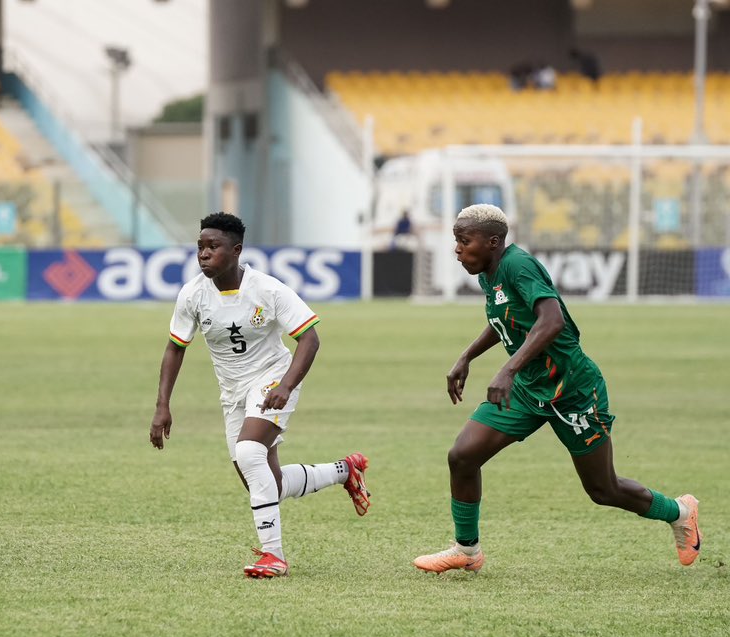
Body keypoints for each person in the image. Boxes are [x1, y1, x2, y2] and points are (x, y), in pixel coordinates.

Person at [413, 204, 700, 574]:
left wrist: (507, 369)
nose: (457, 249)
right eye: (456, 241)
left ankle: (680, 512)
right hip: (529, 389)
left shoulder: (519, 265)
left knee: (603, 490)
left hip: (573, 390)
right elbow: (506, 318)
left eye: (464, 241)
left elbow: (552, 320)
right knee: (463, 456)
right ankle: (467, 551)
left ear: (493, 241)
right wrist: (466, 356)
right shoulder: (490, 271)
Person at [149, 212, 371, 579]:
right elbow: (175, 348)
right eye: (200, 247)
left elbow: (310, 339)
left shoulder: (268, 289)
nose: (203, 254)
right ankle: (345, 470)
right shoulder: (192, 294)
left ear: (236, 251)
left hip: (273, 379)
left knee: (249, 452)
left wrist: (285, 386)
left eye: (213, 247)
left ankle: (274, 556)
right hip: (232, 392)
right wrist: (162, 406)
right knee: (266, 483)